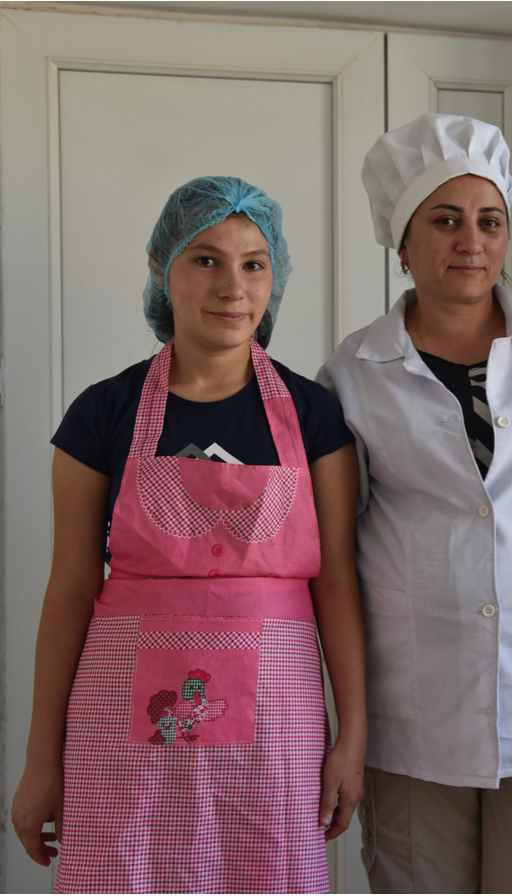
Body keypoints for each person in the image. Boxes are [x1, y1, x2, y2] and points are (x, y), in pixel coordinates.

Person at [9, 176, 366, 892]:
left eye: (253, 263)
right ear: (161, 267)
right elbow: (71, 586)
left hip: (279, 717)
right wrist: (40, 760)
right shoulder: (101, 414)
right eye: (205, 259)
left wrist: (351, 737)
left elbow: (335, 583)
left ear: (275, 277)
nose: (232, 285)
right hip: (119, 713)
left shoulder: (314, 414)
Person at [318, 113, 512, 894]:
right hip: (413, 708)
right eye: (443, 221)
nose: (469, 241)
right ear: (402, 243)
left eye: (489, 221)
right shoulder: (352, 372)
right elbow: (333, 553)